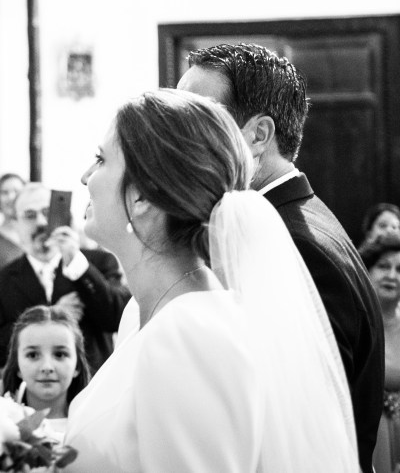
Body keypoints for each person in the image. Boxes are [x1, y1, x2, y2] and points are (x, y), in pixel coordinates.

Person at [64, 88, 359, 471]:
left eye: (101, 160)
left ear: (142, 197)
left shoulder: (189, 335)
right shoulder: (139, 313)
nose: (85, 177)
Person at [178, 42, 383, 472]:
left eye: (198, 118)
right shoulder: (291, 219)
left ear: (257, 135)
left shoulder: (298, 245)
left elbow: (305, 426)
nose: (179, 136)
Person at [0, 183, 129, 381]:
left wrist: (75, 262)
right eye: (30, 215)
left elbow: (118, 317)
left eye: (47, 212)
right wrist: (50, 315)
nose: (41, 222)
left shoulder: (99, 263)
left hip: (93, 385)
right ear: (15, 223)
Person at [0, 305, 90, 443]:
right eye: (33, 355)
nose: (47, 367)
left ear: (77, 366)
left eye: (60, 354)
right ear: (17, 366)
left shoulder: (92, 427)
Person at [360, 233, 400, 473]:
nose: (392, 275)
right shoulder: (360, 322)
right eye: (384, 266)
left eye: (399, 269)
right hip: (370, 435)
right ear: (368, 270)